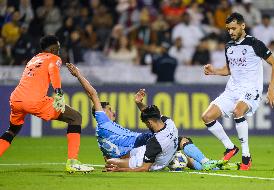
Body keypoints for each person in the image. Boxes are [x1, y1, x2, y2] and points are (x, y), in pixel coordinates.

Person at [66, 64, 221, 171]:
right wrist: (78, 74)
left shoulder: (105, 130)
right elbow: (93, 94)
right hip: (137, 147)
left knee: (177, 142)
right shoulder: (102, 121)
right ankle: (206, 163)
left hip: (140, 143)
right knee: (176, 143)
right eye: (110, 110)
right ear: (100, 112)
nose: (113, 113)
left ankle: (207, 164)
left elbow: (107, 151)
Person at [0, 35, 94, 173]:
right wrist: (59, 93)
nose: (59, 51)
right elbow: (53, 71)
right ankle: (73, 162)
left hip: (16, 99)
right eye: (58, 48)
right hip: (34, 101)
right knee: (75, 117)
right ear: (53, 48)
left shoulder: (33, 59)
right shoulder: (54, 58)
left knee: (12, 130)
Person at [202, 12, 274, 170]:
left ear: (242, 26)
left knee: (238, 111)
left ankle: (246, 156)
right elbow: (230, 69)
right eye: (228, 29)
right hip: (232, 90)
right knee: (207, 116)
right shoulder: (229, 46)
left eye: (233, 28)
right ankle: (230, 148)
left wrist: (271, 88)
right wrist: (214, 71)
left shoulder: (255, 43)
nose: (230, 32)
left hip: (251, 89)